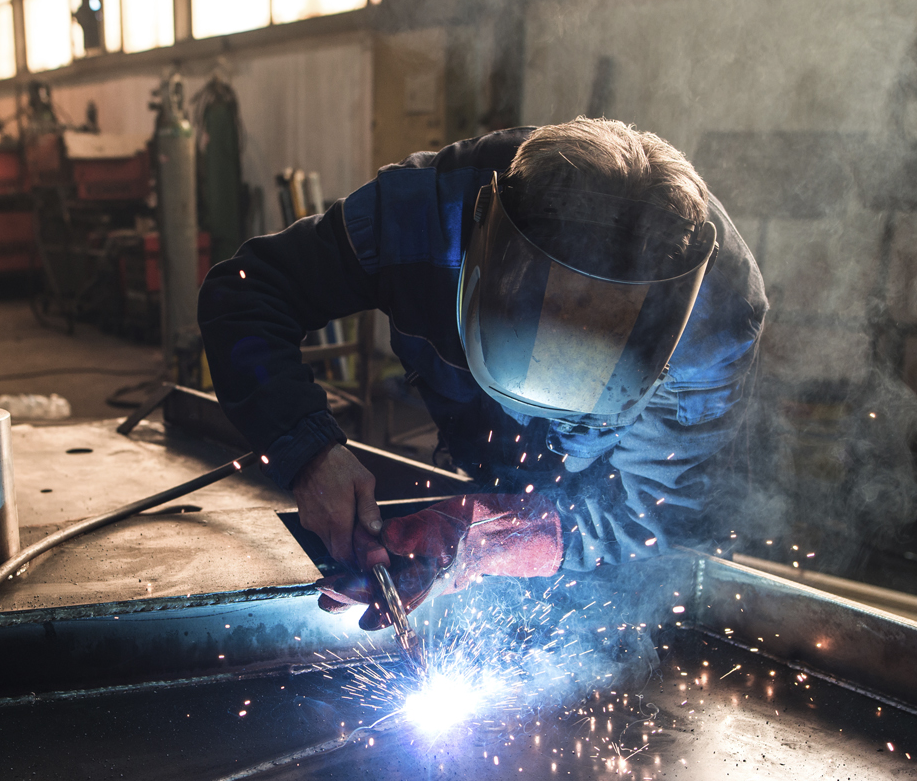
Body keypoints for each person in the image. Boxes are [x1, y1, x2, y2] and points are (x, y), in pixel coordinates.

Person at [198, 118, 767, 628]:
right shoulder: (422, 215)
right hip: (477, 437)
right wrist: (308, 452)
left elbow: (654, 512)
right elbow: (246, 295)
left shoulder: (712, 321)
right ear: (481, 260)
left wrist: (484, 542)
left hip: (605, 528)